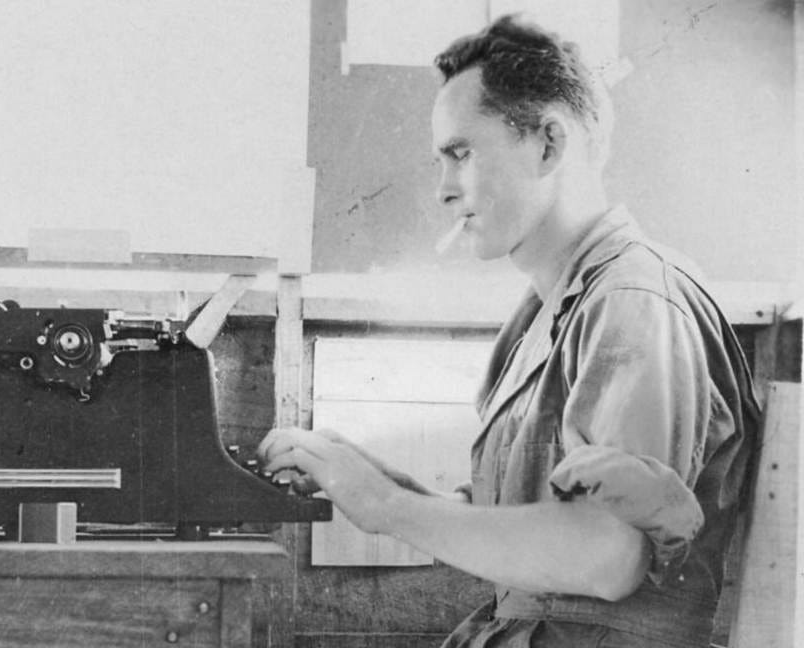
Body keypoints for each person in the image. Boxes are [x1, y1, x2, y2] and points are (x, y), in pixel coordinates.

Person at [258, 15, 760, 648]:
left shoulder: (634, 301)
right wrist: (379, 484)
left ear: (549, 144)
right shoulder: (543, 313)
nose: (442, 189)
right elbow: (527, 530)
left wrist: (387, 508)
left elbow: (607, 557)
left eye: (461, 153)